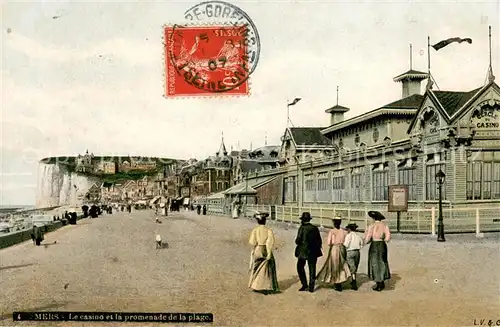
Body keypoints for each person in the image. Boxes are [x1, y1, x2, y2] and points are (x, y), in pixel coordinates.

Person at [316, 216, 351, 291]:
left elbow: (329, 242)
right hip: (342, 248)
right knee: (341, 264)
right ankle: (340, 280)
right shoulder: (343, 231)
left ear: (334, 223)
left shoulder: (332, 231)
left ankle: (336, 282)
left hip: (335, 248)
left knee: (334, 264)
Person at [248, 212, 279, 294]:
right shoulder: (268, 230)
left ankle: (255, 285)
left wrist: (253, 251)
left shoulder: (255, 230)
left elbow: (253, 242)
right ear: (265, 221)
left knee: (256, 266)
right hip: (265, 249)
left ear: (258, 221)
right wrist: (269, 253)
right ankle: (266, 285)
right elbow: (270, 242)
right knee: (267, 267)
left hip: (258, 248)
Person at [295, 212, 323, 293]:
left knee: (300, 267)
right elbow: (319, 240)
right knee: (312, 268)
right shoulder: (315, 228)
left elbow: (298, 240)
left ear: (303, 220)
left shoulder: (302, 228)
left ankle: (304, 284)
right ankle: (311, 287)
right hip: (313, 251)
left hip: (303, 252)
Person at [365, 211, 391, 291]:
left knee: (375, 262)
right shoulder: (385, 226)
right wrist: (383, 239)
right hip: (382, 245)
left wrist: (366, 241)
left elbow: (368, 237)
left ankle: (378, 282)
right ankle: (382, 280)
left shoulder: (372, 226)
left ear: (373, 218)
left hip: (374, 244)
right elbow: (388, 238)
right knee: (382, 261)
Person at [344, 223, 364, 290]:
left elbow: (346, 245)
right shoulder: (358, 236)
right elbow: (362, 244)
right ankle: (353, 279)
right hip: (357, 252)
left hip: (350, 251)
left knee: (352, 266)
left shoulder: (348, 236)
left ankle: (353, 281)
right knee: (355, 266)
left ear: (349, 229)